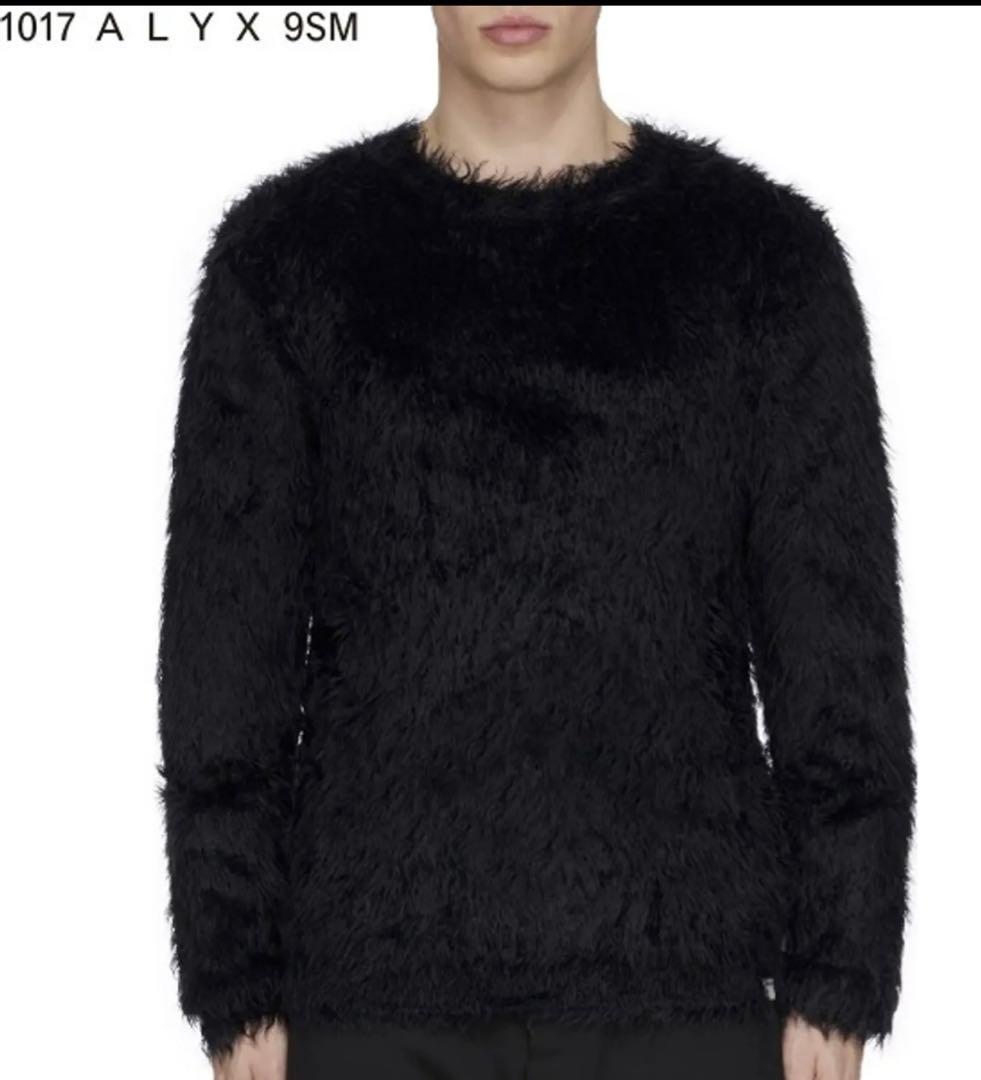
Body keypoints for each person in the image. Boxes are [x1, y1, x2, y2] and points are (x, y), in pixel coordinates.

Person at [155, 6, 915, 1080]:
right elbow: (224, 648)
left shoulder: (761, 261)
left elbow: (837, 642)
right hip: (370, 997)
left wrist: (841, 968)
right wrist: (234, 976)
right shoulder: (289, 260)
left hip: (685, 995)